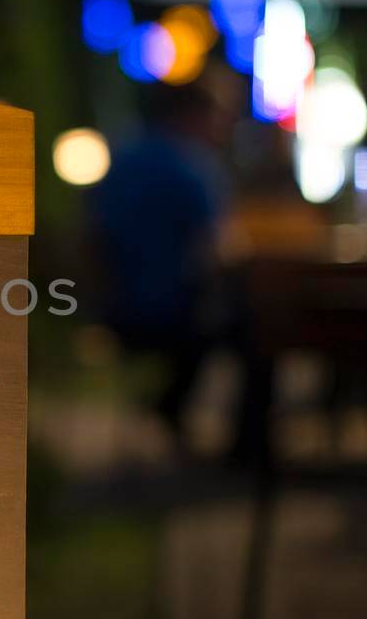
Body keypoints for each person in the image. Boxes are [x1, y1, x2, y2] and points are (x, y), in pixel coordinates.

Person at [87, 72, 269, 457]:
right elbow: (219, 251)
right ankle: (245, 451)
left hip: (114, 310)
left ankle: (169, 412)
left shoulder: (123, 158)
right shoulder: (192, 168)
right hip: (172, 314)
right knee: (258, 334)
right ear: (195, 115)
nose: (222, 127)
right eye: (219, 116)